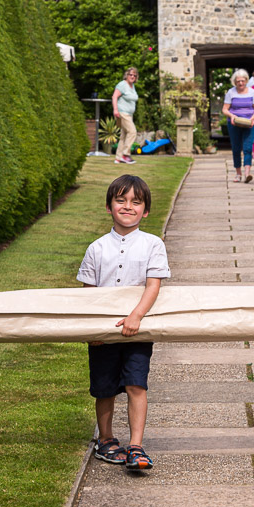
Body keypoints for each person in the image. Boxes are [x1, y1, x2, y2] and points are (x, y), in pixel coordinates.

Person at [77, 175, 170, 471]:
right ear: (109, 207)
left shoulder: (153, 245)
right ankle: (105, 440)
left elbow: (152, 286)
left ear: (145, 211)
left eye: (136, 202)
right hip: (104, 333)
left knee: (136, 385)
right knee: (103, 388)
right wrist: (93, 329)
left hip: (138, 330)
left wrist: (136, 316)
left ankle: (136, 446)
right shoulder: (96, 248)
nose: (127, 207)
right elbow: (88, 293)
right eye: (121, 200)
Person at [221, 69, 254, 183]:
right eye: (238, 81)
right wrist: (232, 116)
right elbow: (225, 109)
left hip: (249, 123)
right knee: (236, 148)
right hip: (234, 123)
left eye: (243, 81)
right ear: (235, 82)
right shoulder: (231, 92)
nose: (241, 83)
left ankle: (247, 173)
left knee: (248, 148)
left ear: (246, 81)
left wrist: (252, 118)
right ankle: (238, 173)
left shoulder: (252, 92)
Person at [112, 67, 140, 165]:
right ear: (127, 75)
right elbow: (114, 96)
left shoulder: (132, 86)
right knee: (132, 132)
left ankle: (118, 158)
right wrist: (115, 109)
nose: (132, 76)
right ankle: (125, 154)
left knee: (124, 135)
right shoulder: (122, 85)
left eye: (134, 75)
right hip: (122, 113)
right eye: (130, 74)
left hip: (129, 114)